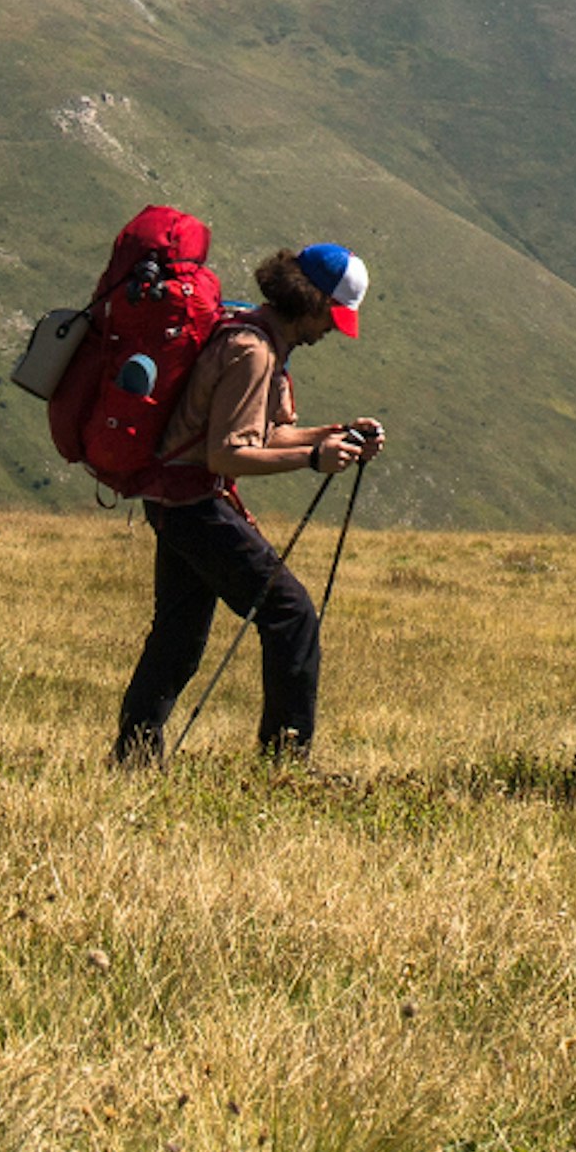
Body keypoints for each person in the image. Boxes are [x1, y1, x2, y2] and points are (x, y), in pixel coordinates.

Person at [111, 242, 384, 767]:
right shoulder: (253, 352)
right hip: (195, 504)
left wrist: (334, 434)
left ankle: (133, 759)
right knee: (291, 615)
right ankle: (285, 765)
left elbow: (266, 433)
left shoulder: (254, 334)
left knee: (178, 637)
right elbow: (228, 453)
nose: (330, 331)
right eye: (333, 316)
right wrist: (313, 459)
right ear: (312, 303)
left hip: (174, 499)